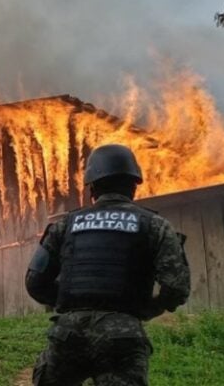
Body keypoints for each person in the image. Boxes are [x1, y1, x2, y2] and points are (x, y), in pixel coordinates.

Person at [25, 144, 190, 386]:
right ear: (134, 186)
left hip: (68, 334)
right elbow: (176, 286)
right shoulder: (155, 225)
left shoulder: (65, 225)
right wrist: (147, 309)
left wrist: (73, 303)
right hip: (122, 334)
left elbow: (35, 282)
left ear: (92, 187)